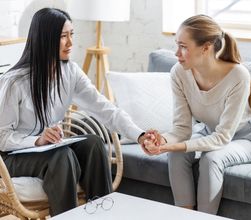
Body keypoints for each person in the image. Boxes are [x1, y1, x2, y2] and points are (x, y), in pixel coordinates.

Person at [0, 8, 150, 216]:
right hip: (12, 156)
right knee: (62, 157)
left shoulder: (70, 71)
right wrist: (37, 141)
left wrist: (140, 135)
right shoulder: (15, 82)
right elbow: (2, 138)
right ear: (45, 39)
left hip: (49, 149)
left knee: (94, 144)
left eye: (72, 34)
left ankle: (103, 215)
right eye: (63, 36)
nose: (70, 43)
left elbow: (105, 109)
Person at [143, 15, 251, 214]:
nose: (177, 53)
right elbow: (181, 129)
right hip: (209, 132)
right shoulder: (179, 72)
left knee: (212, 159)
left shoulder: (238, 76)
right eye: (176, 45)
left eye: (183, 46)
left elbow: (222, 138)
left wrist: (173, 145)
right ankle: (183, 216)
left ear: (206, 47)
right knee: (176, 155)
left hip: (249, 139)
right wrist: (161, 141)